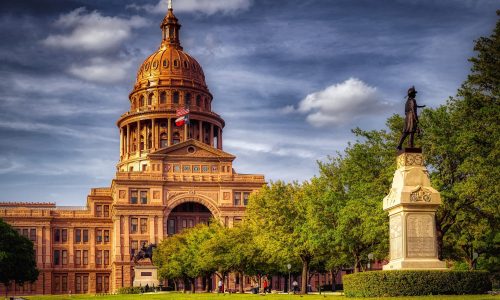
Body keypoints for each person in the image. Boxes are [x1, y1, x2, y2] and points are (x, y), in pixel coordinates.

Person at [397, 86, 426, 150]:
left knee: (405, 132)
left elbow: (406, 111)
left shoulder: (407, 102)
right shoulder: (413, 100)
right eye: (414, 93)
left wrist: (421, 106)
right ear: (412, 94)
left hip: (407, 117)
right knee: (411, 132)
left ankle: (399, 144)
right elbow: (413, 109)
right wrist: (416, 119)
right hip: (411, 117)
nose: (415, 95)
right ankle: (410, 146)